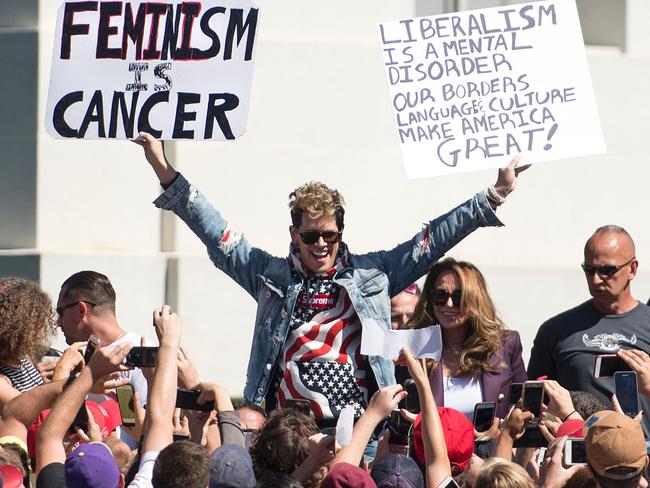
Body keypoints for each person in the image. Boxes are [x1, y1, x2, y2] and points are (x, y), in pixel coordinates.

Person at [135, 132, 527, 425]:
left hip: (361, 429)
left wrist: (493, 195)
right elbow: (217, 233)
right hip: (290, 429)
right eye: (310, 236)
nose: (321, 245)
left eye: (330, 235)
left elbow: (431, 242)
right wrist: (164, 170)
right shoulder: (270, 276)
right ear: (294, 235)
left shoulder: (373, 273)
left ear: (342, 232)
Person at [527, 225, 650, 431]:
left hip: (642, 456)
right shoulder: (556, 330)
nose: (595, 279)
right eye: (589, 270)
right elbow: (535, 407)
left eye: (607, 270)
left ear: (633, 269)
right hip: (577, 457)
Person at [406, 258, 527, 420]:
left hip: (493, 445)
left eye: (459, 297)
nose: (449, 304)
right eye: (440, 295)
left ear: (475, 300)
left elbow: (524, 408)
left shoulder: (506, 344)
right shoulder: (414, 348)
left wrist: (501, 430)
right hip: (433, 445)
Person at [55, 271, 148, 406]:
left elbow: (151, 423)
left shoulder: (141, 355)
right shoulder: (75, 357)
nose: (58, 323)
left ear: (81, 310)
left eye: (60, 312)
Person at [0, 277, 57, 405]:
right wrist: (62, 374)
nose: (41, 333)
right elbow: (38, 413)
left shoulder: (23, 357)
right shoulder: (2, 381)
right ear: (16, 327)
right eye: (37, 325)